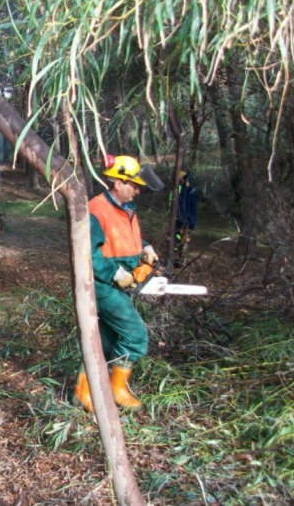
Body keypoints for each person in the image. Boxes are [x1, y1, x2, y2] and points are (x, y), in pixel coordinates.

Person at [74, 155, 163, 413]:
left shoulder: (125, 208)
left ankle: (82, 392)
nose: (137, 190)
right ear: (116, 182)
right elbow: (86, 253)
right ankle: (117, 390)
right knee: (135, 335)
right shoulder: (95, 210)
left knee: (104, 339)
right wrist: (115, 274)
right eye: (133, 185)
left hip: (116, 281)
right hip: (101, 284)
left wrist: (144, 248)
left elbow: (123, 236)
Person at [172, 169, 197, 267]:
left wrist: (184, 219)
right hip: (177, 218)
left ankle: (181, 261)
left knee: (182, 240)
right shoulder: (178, 188)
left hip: (184, 219)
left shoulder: (187, 188)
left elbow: (188, 205)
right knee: (175, 239)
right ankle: (175, 259)